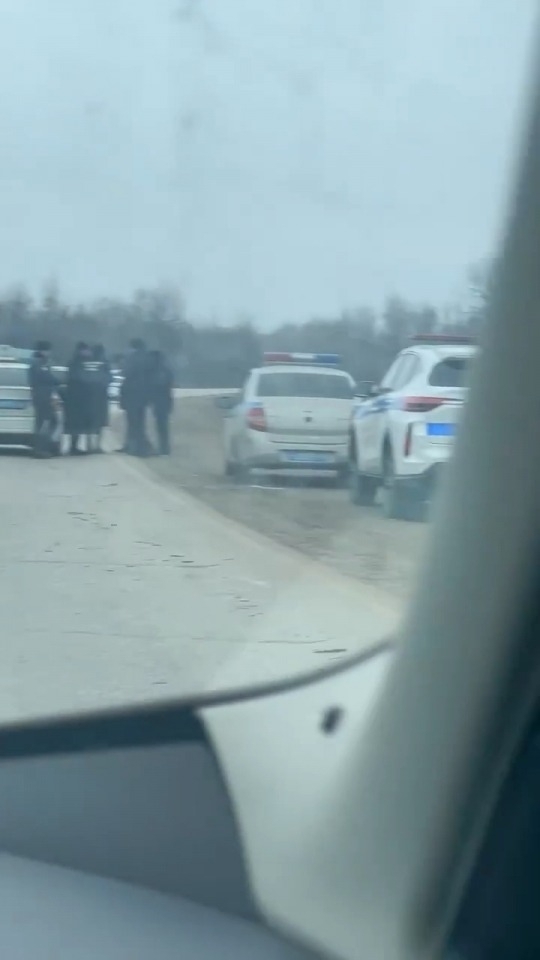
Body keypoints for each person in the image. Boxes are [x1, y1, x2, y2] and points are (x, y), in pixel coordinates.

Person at [27, 341, 60, 458]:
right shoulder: (37, 363)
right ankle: (39, 449)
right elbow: (45, 378)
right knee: (42, 424)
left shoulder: (43, 363)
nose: (49, 353)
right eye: (47, 350)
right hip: (41, 397)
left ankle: (46, 446)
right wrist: (55, 380)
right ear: (42, 351)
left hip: (46, 396)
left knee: (51, 421)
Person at [120, 338, 151, 456]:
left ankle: (133, 447)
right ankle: (140, 446)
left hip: (132, 393)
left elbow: (126, 372)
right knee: (140, 422)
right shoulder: (147, 358)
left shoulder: (132, 358)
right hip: (143, 394)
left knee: (132, 422)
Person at [64, 342, 93, 455]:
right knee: (75, 422)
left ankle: (74, 445)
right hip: (76, 397)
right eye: (87, 350)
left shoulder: (78, 362)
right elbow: (77, 378)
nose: (89, 352)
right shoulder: (76, 363)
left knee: (78, 423)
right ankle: (73, 446)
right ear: (81, 350)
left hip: (79, 396)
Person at [148, 350, 174, 455]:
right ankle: (163, 447)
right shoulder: (164, 370)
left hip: (162, 401)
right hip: (162, 401)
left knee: (162, 426)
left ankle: (164, 448)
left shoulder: (161, 371)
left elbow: (161, 384)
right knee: (161, 426)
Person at [87, 344, 111, 453]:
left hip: (89, 395)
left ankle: (89, 445)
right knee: (100, 422)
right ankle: (97, 445)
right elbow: (109, 378)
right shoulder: (104, 363)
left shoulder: (87, 361)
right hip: (101, 395)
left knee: (89, 421)